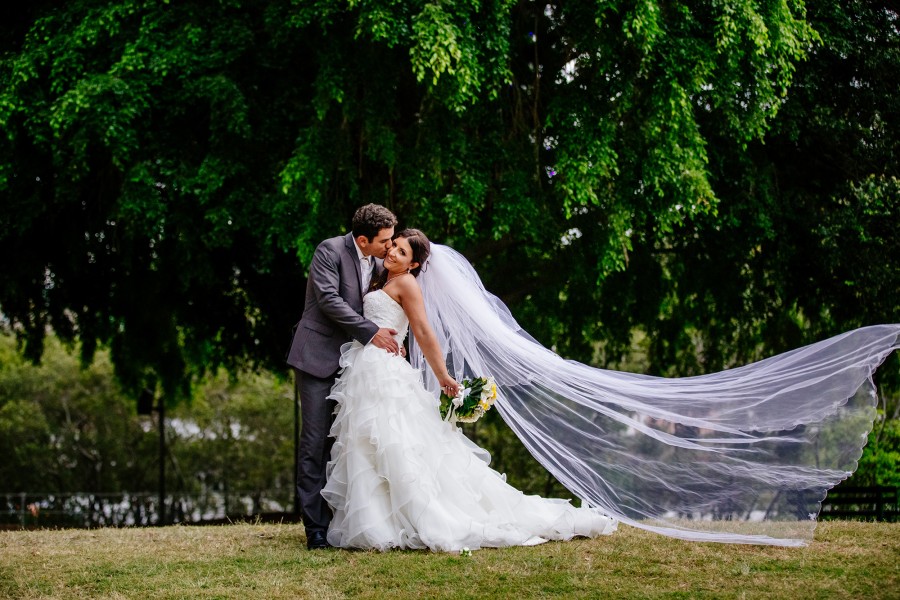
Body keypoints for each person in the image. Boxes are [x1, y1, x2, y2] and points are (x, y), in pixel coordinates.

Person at [321, 229, 618, 551]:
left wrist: (444, 376)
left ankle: (413, 518)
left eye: (402, 253)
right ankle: (375, 521)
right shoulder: (383, 277)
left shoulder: (406, 283)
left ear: (415, 264)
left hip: (384, 372)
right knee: (367, 443)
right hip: (366, 367)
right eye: (393, 246)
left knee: (393, 441)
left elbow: (422, 331)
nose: (392, 253)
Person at [286, 203, 401, 550]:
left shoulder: (382, 263)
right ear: (363, 240)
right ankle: (315, 529)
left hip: (357, 367)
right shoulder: (329, 250)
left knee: (350, 444)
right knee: (315, 441)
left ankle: (345, 521)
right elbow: (329, 300)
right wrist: (372, 332)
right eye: (384, 241)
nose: (390, 247)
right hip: (318, 358)